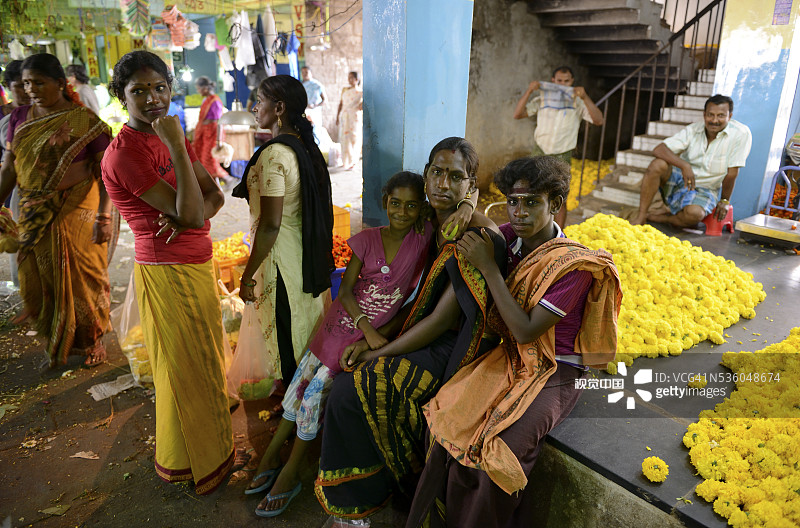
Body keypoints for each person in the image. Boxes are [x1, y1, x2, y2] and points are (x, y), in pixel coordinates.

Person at [406, 156, 623, 528]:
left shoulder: (572, 266)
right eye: (513, 201)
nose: (519, 212)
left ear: (554, 205)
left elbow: (525, 331)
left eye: (532, 202)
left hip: (555, 369)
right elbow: (465, 227)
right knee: (448, 429)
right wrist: (469, 206)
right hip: (509, 359)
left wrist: (490, 269)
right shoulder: (508, 238)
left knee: (497, 454)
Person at [315, 137, 505, 526]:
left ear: (470, 185)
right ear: (425, 176)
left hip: (456, 352)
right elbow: (415, 304)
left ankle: (359, 504)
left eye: (456, 177)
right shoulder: (429, 223)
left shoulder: (474, 236)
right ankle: (371, 492)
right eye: (436, 172)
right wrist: (371, 335)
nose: (442, 184)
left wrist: (376, 353)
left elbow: (439, 320)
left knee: (353, 392)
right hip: (424, 333)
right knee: (347, 385)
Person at [250, 171, 433, 518]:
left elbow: (457, 213)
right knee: (300, 385)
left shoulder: (423, 238)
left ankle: (290, 472)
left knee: (316, 392)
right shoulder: (367, 240)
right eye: (396, 203)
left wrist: (374, 335)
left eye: (412, 206)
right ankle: (274, 453)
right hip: (339, 326)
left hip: (365, 335)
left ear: (421, 209)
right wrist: (366, 327)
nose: (403, 212)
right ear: (385, 203)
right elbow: (346, 291)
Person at [101, 50, 234, 494]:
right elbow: (195, 213)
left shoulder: (163, 138)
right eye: (138, 91)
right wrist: (179, 149)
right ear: (122, 97)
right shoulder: (124, 154)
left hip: (195, 260)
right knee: (182, 370)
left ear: (170, 89)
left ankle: (216, 449)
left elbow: (212, 198)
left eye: (159, 88)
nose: (152, 98)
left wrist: (188, 211)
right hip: (166, 268)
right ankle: (187, 463)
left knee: (207, 360)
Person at [232, 73, 334, 441]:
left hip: (281, 266)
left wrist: (247, 274)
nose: (254, 107)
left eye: (259, 100)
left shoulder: (276, 154)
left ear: (279, 108)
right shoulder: (304, 147)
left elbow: (270, 225)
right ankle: (300, 406)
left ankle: (298, 424)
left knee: (290, 343)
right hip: (303, 259)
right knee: (305, 337)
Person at [0, 53, 112, 367]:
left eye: (39, 82)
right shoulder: (20, 119)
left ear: (60, 83)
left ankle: (92, 341)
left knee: (83, 277)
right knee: (39, 279)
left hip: (76, 208)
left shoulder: (86, 121)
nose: (31, 88)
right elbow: (10, 168)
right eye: (25, 83)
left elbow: (106, 173)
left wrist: (105, 215)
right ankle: (58, 339)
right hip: (33, 209)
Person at [630, 94, 752, 228]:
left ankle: (664, 218)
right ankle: (641, 216)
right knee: (657, 164)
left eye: (721, 116)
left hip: (706, 188)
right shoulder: (694, 129)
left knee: (695, 215)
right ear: (704, 114)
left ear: (730, 116)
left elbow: (732, 173)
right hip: (681, 180)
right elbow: (659, 149)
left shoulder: (741, 134)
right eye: (710, 115)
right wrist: (684, 166)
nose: (714, 120)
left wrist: (724, 200)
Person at [512, 66, 604, 228]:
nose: (562, 84)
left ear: (572, 82)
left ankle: (557, 236)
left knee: (559, 196)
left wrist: (585, 96)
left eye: (566, 81)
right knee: (531, 192)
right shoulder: (542, 99)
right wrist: (529, 91)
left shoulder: (578, 102)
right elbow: (518, 114)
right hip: (539, 151)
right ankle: (532, 227)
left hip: (562, 154)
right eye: (559, 81)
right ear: (552, 81)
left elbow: (598, 120)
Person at [192, 76, 230, 185]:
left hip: (212, 135)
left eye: (198, 88)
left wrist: (219, 141)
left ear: (204, 88)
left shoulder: (215, 101)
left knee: (209, 161)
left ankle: (228, 180)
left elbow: (219, 122)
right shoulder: (207, 100)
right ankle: (215, 187)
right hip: (204, 134)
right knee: (201, 160)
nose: (198, 91)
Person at [336, 71, 363, 170]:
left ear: (357, 79)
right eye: (349, 78)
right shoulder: (345, 90)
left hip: (354, 118)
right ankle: (345, 161)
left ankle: (354, 162)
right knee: (344, 138)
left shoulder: (360, 92)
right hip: (344, 116)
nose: (350, 80)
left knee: (354, 139)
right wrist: (337, 116)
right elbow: (341, 104)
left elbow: (362, 106)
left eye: (352, 78)